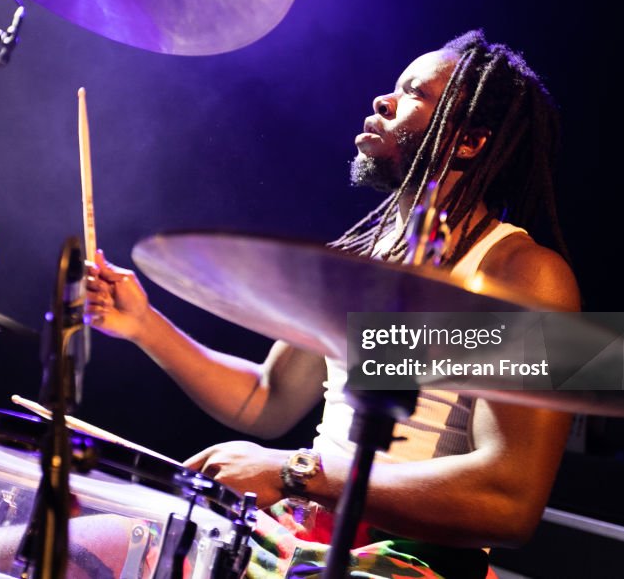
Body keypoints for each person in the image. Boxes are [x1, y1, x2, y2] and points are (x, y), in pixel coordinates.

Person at [84, 29, 580, 579]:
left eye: (414, 94)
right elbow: (267, 399)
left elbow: (507, 501)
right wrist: (145, 325)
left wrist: (297, 471)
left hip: (407, 561)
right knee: (43, 541)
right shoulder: (357, 259)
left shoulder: (522, 275)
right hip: (302, 532)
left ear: (469, 141)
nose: (382, 101)